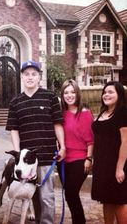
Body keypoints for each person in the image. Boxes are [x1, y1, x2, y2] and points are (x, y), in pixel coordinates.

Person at [6, 60, 66, 224]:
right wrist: (18, 154)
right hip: (27, 161)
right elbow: (14, 129)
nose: (30, 77)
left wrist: (63, 146)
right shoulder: (15, 102)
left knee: (47, 196)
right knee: (33, 195)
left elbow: (57, 124)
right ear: (22, 77)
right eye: (26, 74)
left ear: (39, 77)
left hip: (47, 156)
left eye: (34, 74)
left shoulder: (50, 97)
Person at [91, 81, 127, 223]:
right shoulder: (103, 113)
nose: (106, 95)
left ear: (119, 95)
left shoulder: (123, 112)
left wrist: (119, 168)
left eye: (111, 92)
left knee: (119, 201)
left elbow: (125, 142)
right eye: (105, 92)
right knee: (106, 199)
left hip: (117, 163)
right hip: (102, 165)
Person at [60, 79, 94, 224]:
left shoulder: (85, 114)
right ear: (62, 95)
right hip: (63, 160)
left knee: (71, 193)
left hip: (80, 160)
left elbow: (91, 141)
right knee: (69, 195)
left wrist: (89, 158)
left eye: (72, 92)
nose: (69, 95)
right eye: (66, 92)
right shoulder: (61, 114)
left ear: (77, 93)